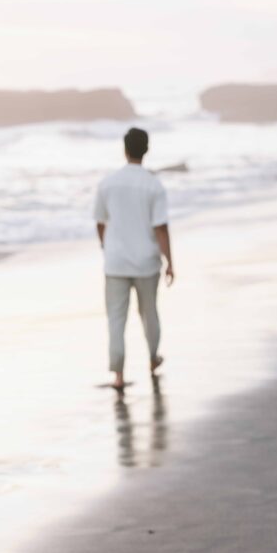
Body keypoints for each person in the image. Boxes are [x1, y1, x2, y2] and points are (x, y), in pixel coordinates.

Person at [93, 127, 174, 390]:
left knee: (116, 319)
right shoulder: (153, 184)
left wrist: (107, 247)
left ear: (124, 149)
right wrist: (170, 261)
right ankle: (152, 358)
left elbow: (100, 222)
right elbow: (160, 227)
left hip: (115, 262)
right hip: (147, 261)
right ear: (146, 149)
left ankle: (118, 374)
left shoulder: (108, 183)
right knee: (149, 314)